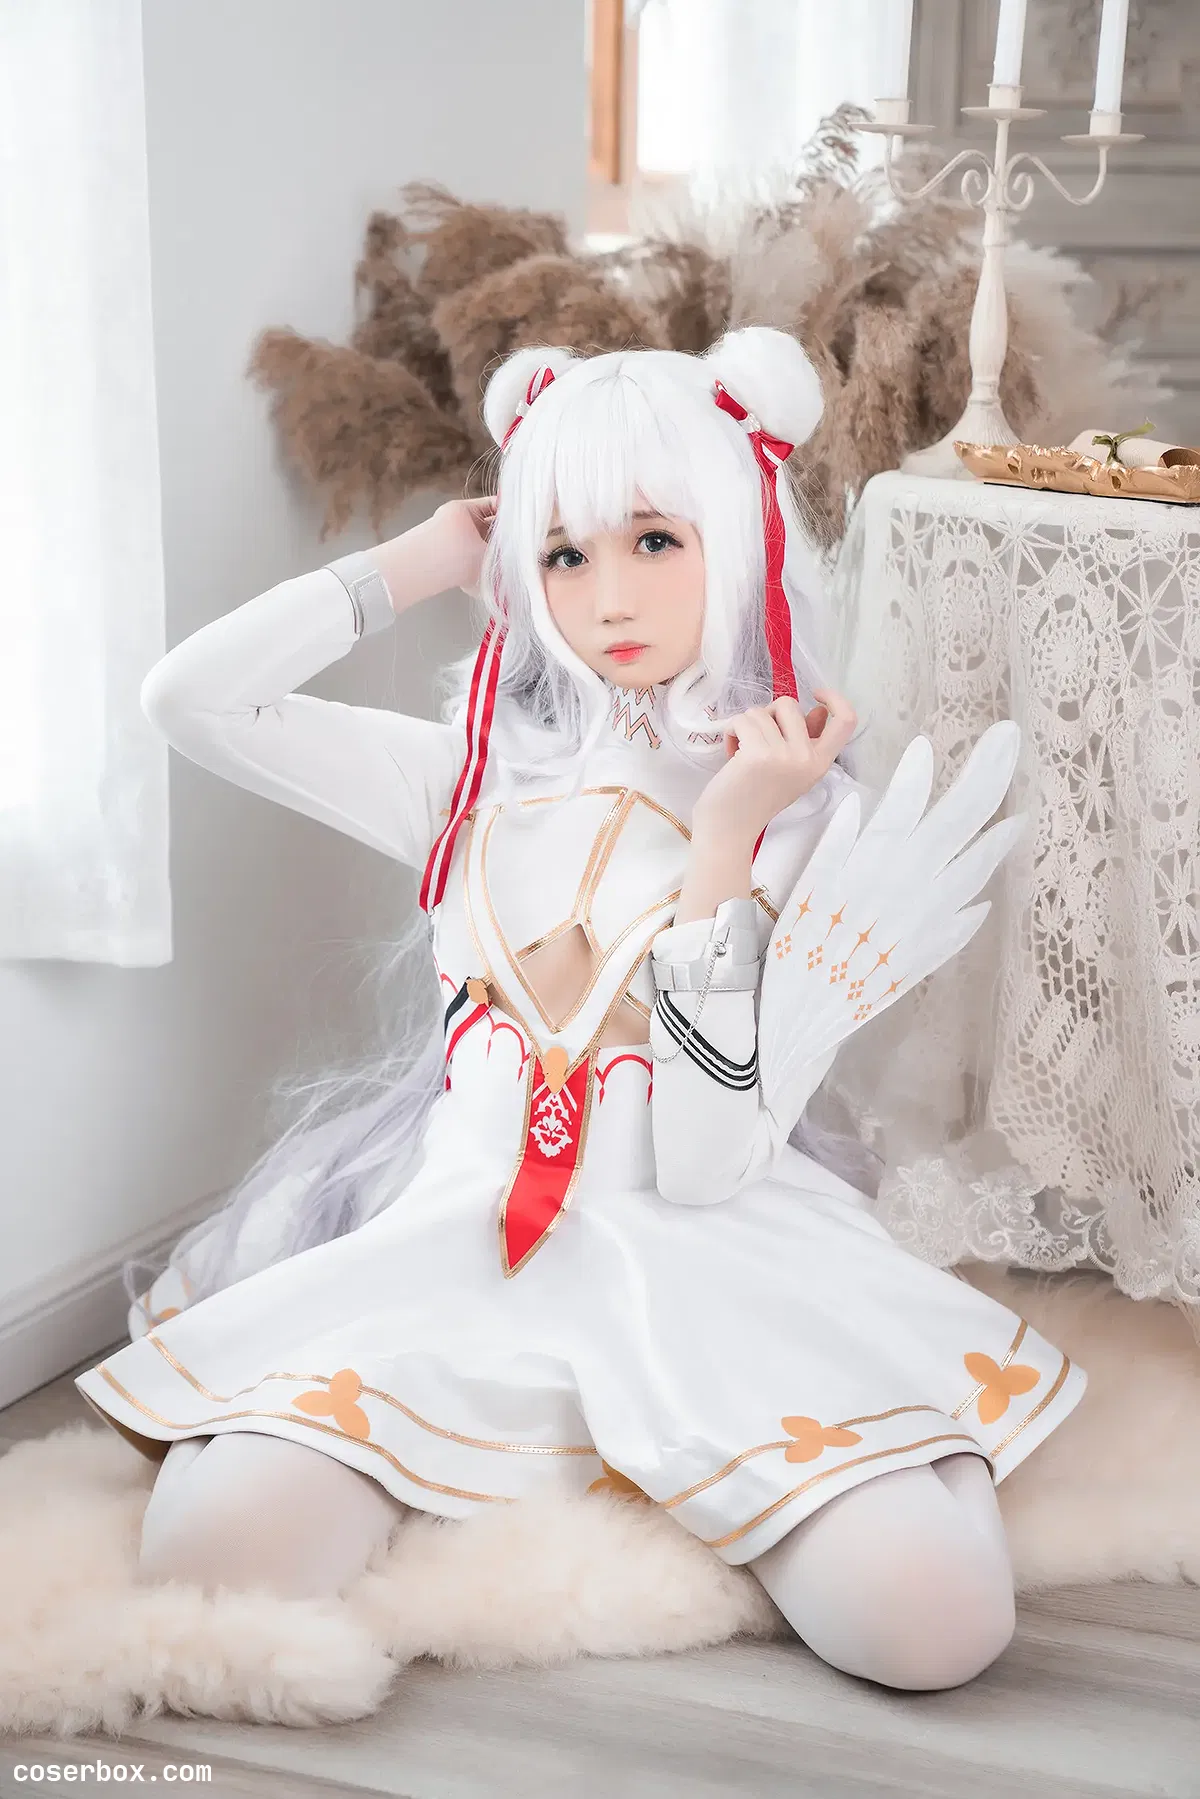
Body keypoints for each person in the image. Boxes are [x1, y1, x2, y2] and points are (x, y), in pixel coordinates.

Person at [75, 327, 1085, 1692]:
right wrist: (422, 560)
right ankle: (501, 1456)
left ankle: (890, 1429)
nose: (609, 594)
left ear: (739, 539)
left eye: (656, 539)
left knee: (935, 1628)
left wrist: (726, 841)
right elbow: (189, 700)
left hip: (707, 1256)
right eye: (563, 553)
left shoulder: (794, 810)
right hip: (457, 1251)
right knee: (211, 1559)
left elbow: (709, 1159)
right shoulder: (467, 780)